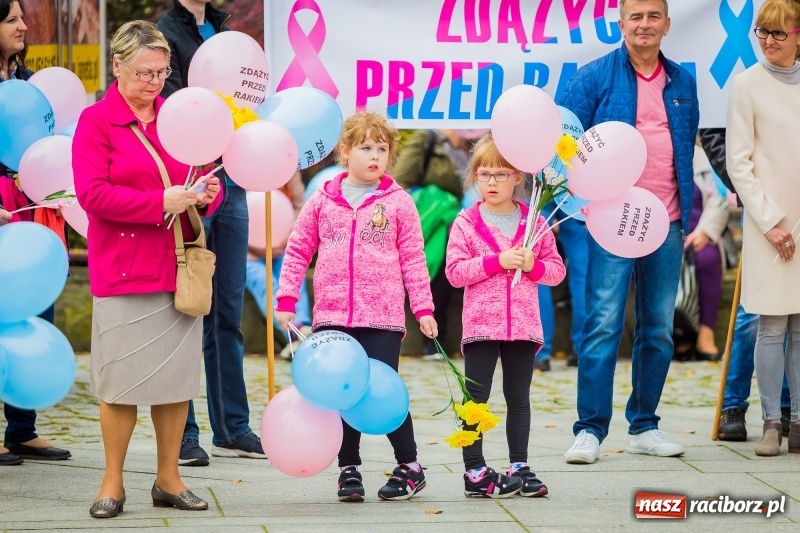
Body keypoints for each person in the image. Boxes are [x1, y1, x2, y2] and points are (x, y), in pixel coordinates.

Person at [72, 20, 222, 517]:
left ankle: (168, 478)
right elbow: (93, 195)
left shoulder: (176, 116)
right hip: (122, 268)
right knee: (120, 383)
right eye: (145, 73)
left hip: (175, 267)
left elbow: (192, 188)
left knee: (176, 383)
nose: (155, 83)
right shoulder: (96, 123)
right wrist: (162, 200)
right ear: (117, 66)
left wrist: (206, 196)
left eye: (162, 73)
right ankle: (111, 482)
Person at [559, 0, 699, 464]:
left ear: (666, 24)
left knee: (658, 328)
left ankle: (644, 425)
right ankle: (589, 430)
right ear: (621, 25)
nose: (644, 24)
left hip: (669, 220)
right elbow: (563, 139)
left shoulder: (682, 81)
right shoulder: (595, 75)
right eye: (635, 17)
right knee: (602, 325)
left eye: (652, 16)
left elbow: (684, 148)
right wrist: (579, 204)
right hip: (611, 222)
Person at [276, 112, 438, 502]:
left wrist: (424, 309)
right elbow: (298, 250)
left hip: (381, 317)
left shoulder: (399, 203)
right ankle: (348, 469)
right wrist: (286, 300)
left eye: (382, 149)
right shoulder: (322, 200)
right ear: (345, 152)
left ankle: (410, 465)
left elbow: (414, 258)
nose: (374, 156)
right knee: (340, 393)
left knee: (382, 390)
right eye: (365, 147)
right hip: (332, 317)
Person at [157, 0, 266, 466]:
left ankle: (233, 426)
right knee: (187, 308)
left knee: (227, 309)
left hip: (233, 181)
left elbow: (246, 102)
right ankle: (183, 432)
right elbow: (175, 109)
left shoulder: (225, 29)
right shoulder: (165, 31)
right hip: (190, 184)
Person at [445, 134, 566, 498]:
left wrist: (533, 266)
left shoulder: (535, 223)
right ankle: (474, 468)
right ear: (474, 178)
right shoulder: (466, 223)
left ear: (517, 177)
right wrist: (496, 261)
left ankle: (520, 465)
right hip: (482, 326)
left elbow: (557, 272)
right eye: (484, 174)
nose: (492, 182)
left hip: (524, 326)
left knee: (519, 397)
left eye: (500, 174)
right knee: (475, 398)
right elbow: (454, 272)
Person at [726, 0, 800, 456]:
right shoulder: (746, 85)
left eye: (777, 33)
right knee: (771, 325)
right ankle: (771, 421)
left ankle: (799, 421)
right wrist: (772, 222)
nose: (768, 42)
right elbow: (739, 162)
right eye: (761, 33)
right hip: (768, 223)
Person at [0, 0, 71, 467]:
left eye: (22, 17)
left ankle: (22, 429)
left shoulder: (28, 83)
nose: (24, 26)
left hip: (32, 207)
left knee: (34, 313)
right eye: (11, 19)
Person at [699, 129, 792, 441]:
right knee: (754, 308)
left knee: (792, 306)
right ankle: (734, 406)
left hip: (794, 196)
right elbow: (713, 134)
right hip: (759, 196)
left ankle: (786, 409)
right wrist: (748, 189)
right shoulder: (743, 81)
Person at [393, 129, 471, 358]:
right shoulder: (428, 140)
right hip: (430, 221)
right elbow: (401, 180)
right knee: (434, 273)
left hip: (458, 222)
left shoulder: (473, 146)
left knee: (449, 275)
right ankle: (432, 342)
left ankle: (439, 341)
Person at [244, 172, 313, 358]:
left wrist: (283, 238)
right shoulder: (239, 165)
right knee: (265, 283)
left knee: (292, 278)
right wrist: (260, 245)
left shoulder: (289, 167)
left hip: (283, 246)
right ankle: (297, 332)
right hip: (248, 253)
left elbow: (301, 207)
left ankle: (300, 331)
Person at [672, 146, 729, 361]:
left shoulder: (703, 158)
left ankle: (705, 335)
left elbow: (719, 199)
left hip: (701, 233)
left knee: (707, 258)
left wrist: (704, 232)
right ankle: (673, 336)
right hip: (669, 233)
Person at [535, 201, 588, 371]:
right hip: (578, 190)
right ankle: (582, 349)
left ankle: (540, 352)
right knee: (582, 273)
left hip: (537, 185)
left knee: (536, 269)